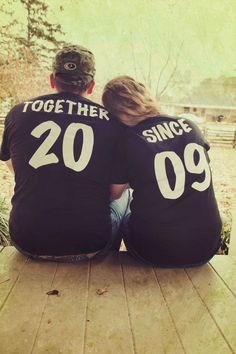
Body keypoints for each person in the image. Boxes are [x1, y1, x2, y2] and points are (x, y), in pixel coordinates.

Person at [0, 45, 129, 262]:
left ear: (52, 80)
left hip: (27, 240)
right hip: (90, 244)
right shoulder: (111, 122)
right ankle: (107, 263)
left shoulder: (18, 113)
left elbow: (14, 166)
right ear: (91, 85)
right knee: (125, 195)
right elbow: (115, 192)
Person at [102, 76, 222, 267]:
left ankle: (106, 265)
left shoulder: (129, 141)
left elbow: (114, 193)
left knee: (122, 202)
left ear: (115, 114)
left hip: (155, 251)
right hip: (207, 247)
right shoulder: (190, 126)